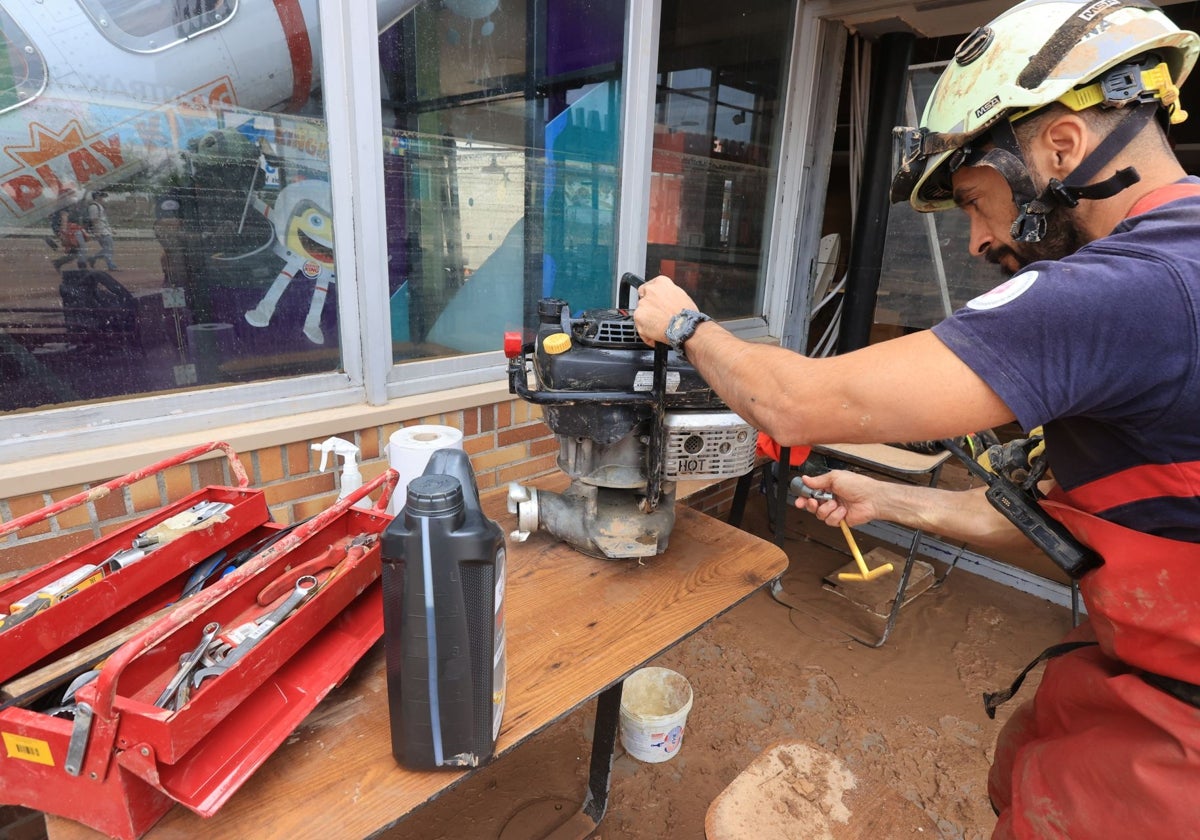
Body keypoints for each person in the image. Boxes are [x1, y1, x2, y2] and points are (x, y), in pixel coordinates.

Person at [633, 1, 1200, 837]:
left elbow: (791, 403)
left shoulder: (1132, 291)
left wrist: (683, 323)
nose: (976, 240)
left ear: (1062, 147)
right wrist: (893, 501)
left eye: (977, 199)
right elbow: (1098, 536)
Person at [85, 190, 119, 271]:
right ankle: (94, 259)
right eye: (101, 196)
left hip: (104, 230)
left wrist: (110, 229)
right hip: (101, 231)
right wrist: (97, 232)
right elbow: (94, 220)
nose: (103, 198)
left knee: (108, 248)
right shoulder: (94, 206)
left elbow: (103, 220)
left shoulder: (98, 206)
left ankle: (109, 265)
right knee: (108, 249)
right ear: (97, 197)